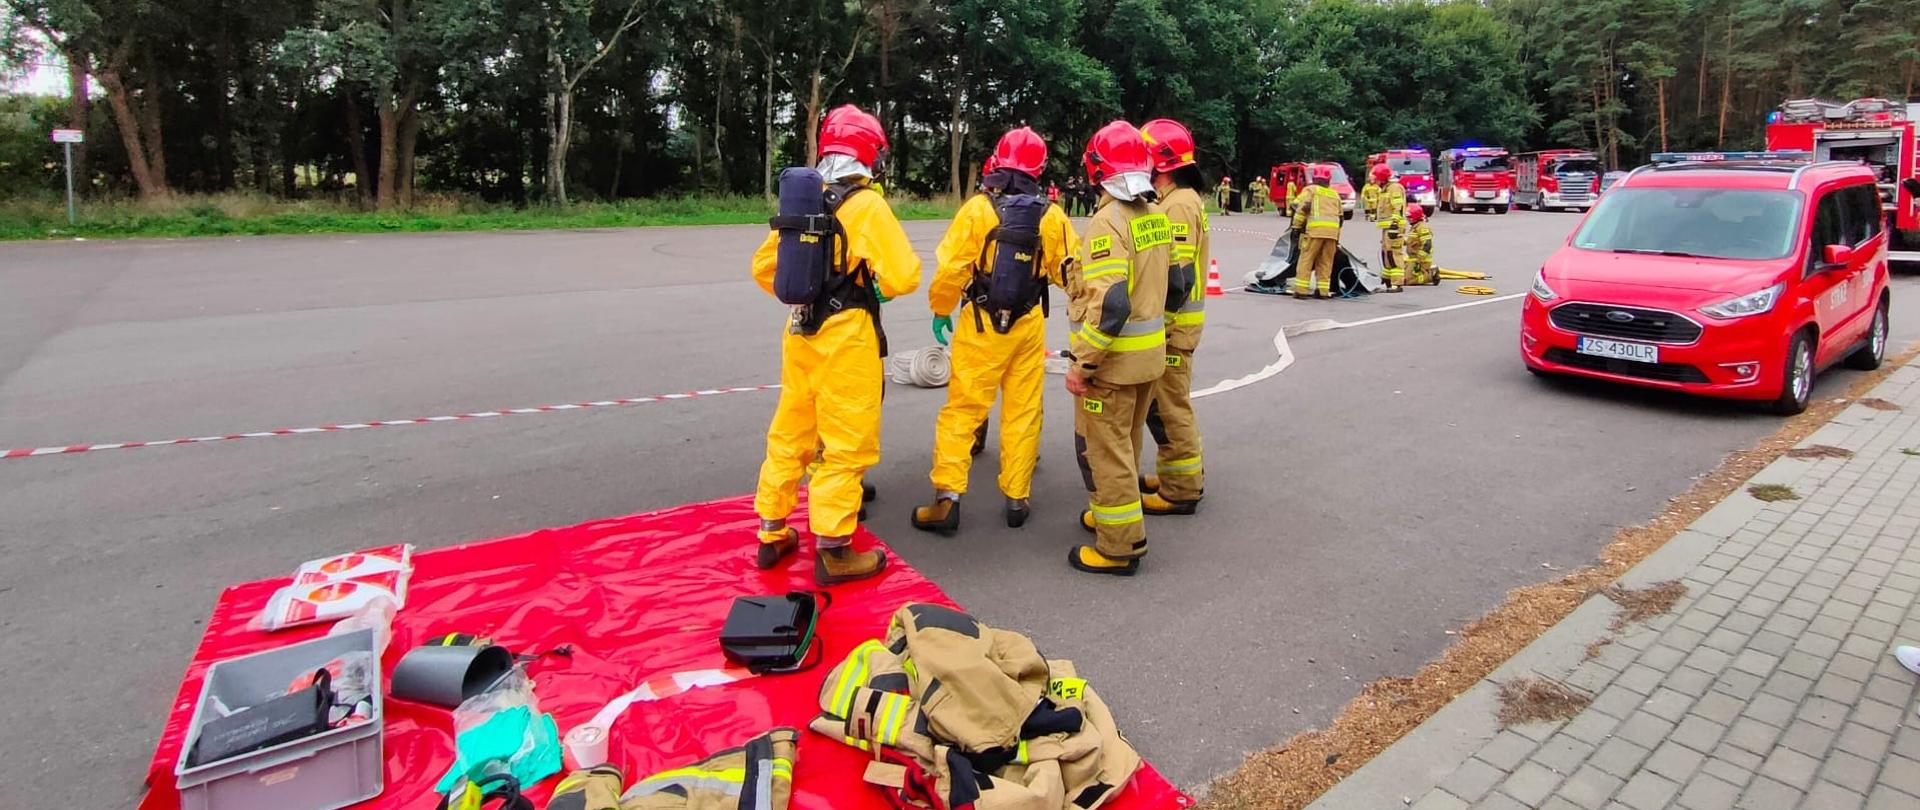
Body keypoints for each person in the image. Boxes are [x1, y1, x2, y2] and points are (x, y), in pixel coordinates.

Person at [751, 104, 921, 585]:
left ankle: (772, 531)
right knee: (846, 444)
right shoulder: (866, 205)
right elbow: (905, 274)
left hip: (800, 332)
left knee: (791, 433)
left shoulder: (804, 199)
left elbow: (764, 268)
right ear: (871, 154)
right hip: (847, 338)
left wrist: (809, 291)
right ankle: (834, 549)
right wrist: (870, 288)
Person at [912, 127, 1080, 534]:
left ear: (997, 162)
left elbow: (952, 268)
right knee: (1023, 411)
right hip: (1027, 326)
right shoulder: (1052, 215)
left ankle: (947, 499)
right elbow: (1070, 273)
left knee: (963, 409)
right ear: (1039, 168)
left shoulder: (977, 210)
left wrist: (940, 309)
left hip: (981, 323)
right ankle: (1017, 498)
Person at [1065, 121, 1171, 576]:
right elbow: (1180, 283)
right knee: (1126, 446)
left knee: (1103, 452)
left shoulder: (1107, 222)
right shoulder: (1155, 214)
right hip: (1148, 361)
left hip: (1112, 364)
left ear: (1096, 168)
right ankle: (1116, 517)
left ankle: (1118, 546)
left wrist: (1083, 364)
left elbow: (1111, 305)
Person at [1137, 118, 1208, 517]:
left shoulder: (1178, 204)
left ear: (1159, 164)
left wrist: (1158, 326)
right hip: (1180, 325)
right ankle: (1177, 474)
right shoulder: (1181, 200)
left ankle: (1181, 489)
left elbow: (1178, 277)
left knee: (1169, 408)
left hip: (1174, 327)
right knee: (1169, 404)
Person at [1291, 164, 1342, 300]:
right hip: (1332, 234)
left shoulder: (1311, 190)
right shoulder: (1334, 194)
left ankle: (1301, 291)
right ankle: (1323, 291)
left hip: (1314, 232)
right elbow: (1341, 217)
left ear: (1314, 178)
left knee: (1306, 260)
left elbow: (1301, 207)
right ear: (1328, 179)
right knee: (1326, 261)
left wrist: (1296, 227)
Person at [1405, 204, 1437, 285]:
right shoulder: (1414, 227)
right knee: (1398, 276)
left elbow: (1427, 245)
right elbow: (1411, 241)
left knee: (1407, 280)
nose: (1408, 219)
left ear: (1415, 216)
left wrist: (1418, 261)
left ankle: (1430, 276)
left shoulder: (1422, 228)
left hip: (1422, 260)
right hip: (1412, 258)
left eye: (1409, 217)